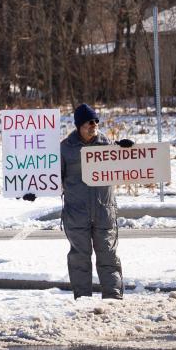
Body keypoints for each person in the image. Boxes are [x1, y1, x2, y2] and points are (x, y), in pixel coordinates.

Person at [59, 103, 134, 299]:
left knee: (108, 257)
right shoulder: (65, 149)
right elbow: (51, 179)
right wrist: (32, 191)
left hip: (104, 212)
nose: (93, 125)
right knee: (79, 259)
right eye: (88, 122)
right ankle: (83, 299)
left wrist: (127, 151)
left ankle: (113, 298)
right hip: (76, 214)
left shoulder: (108, 146)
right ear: (78, 126)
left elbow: (131, 165)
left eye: (95, 121)